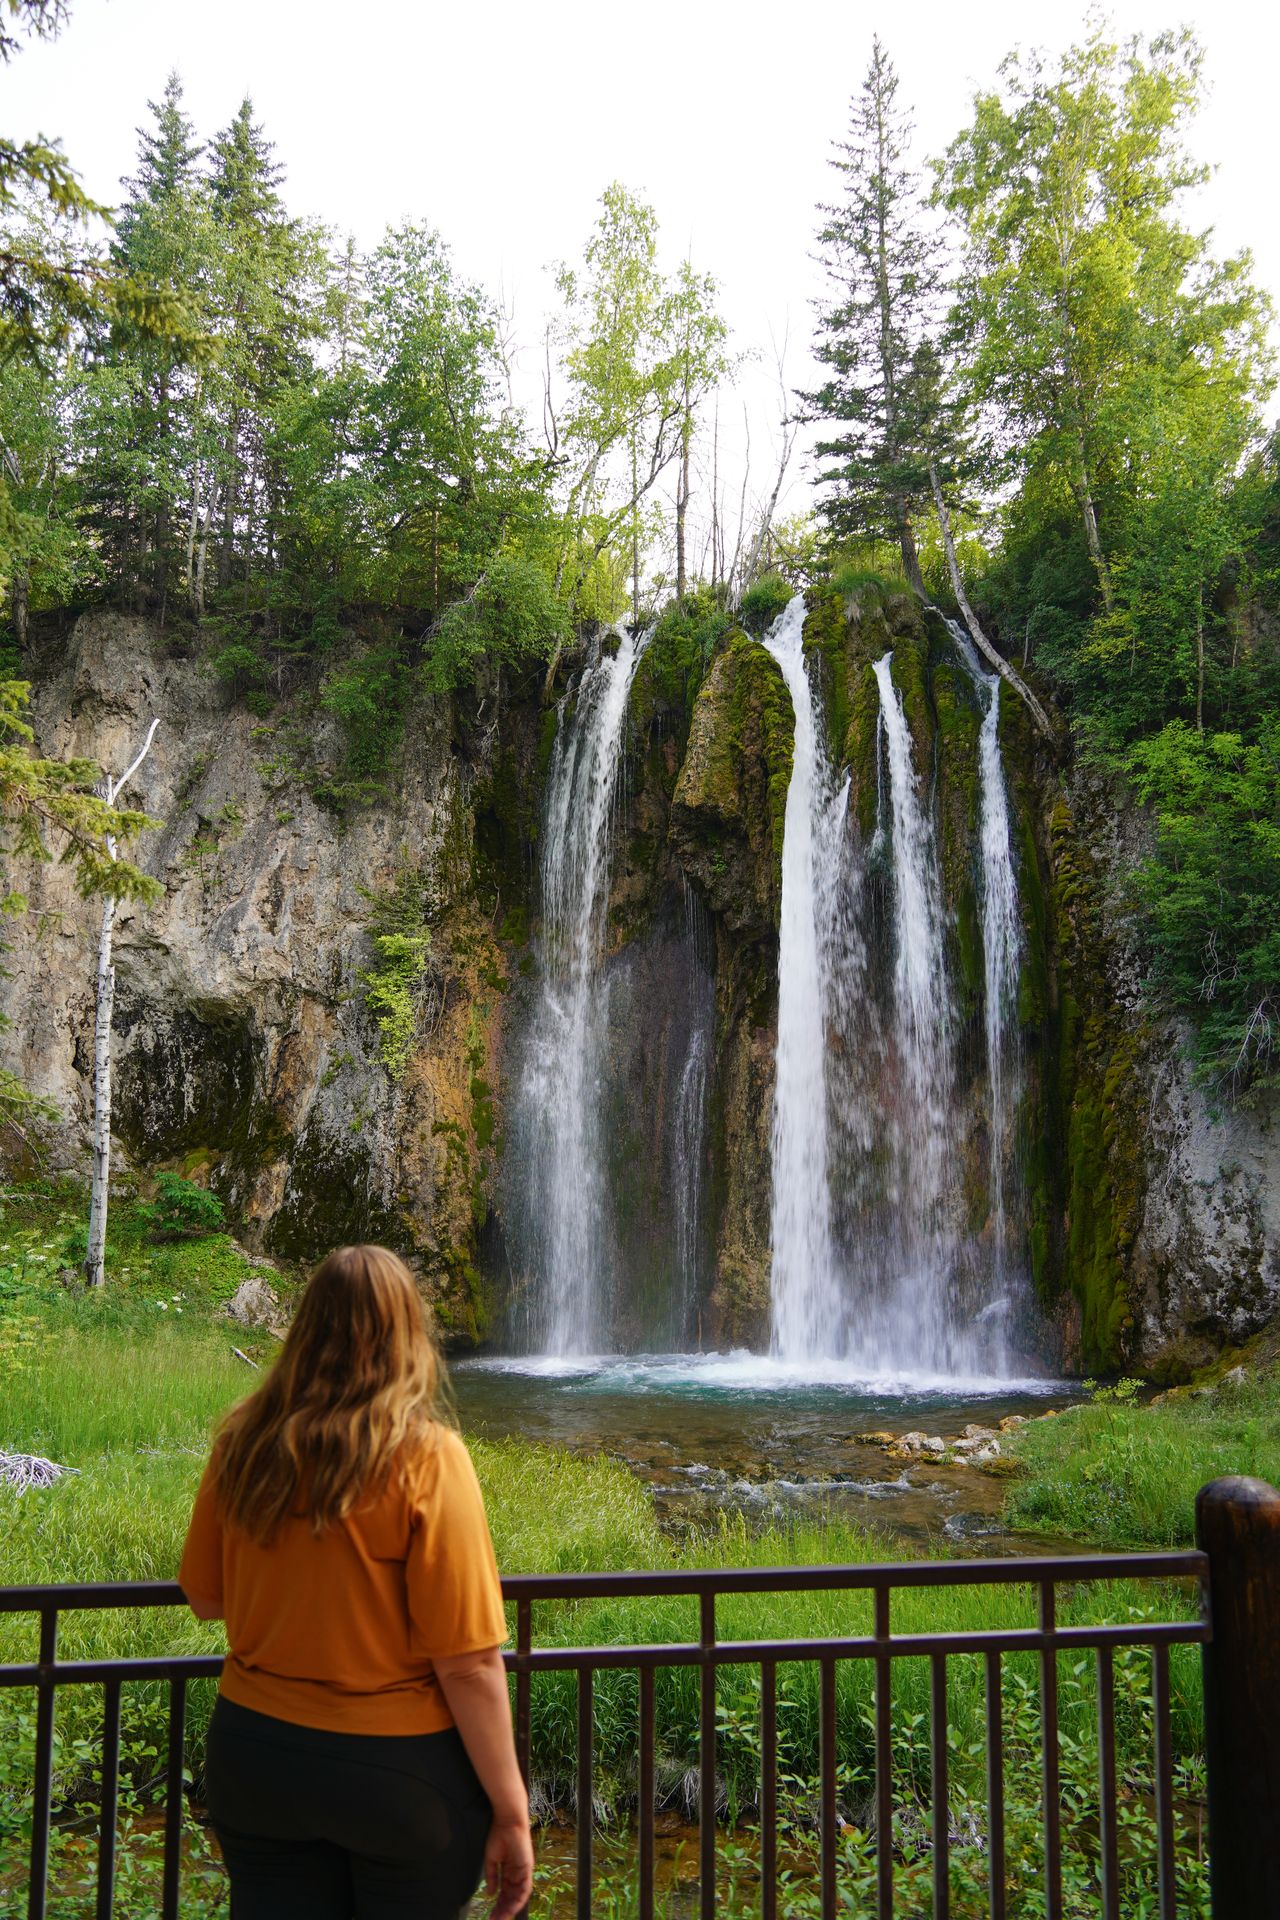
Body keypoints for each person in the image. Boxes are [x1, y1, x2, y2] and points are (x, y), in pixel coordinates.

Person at [178, 1244, 534, 1920]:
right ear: (409, 1336)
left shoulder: (243, 1443)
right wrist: (512, 1813)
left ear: (305, 1330)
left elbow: (205, 1596)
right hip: (394, 1774)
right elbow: (468, 1665)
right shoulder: (427, 1458)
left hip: (256, 1756)